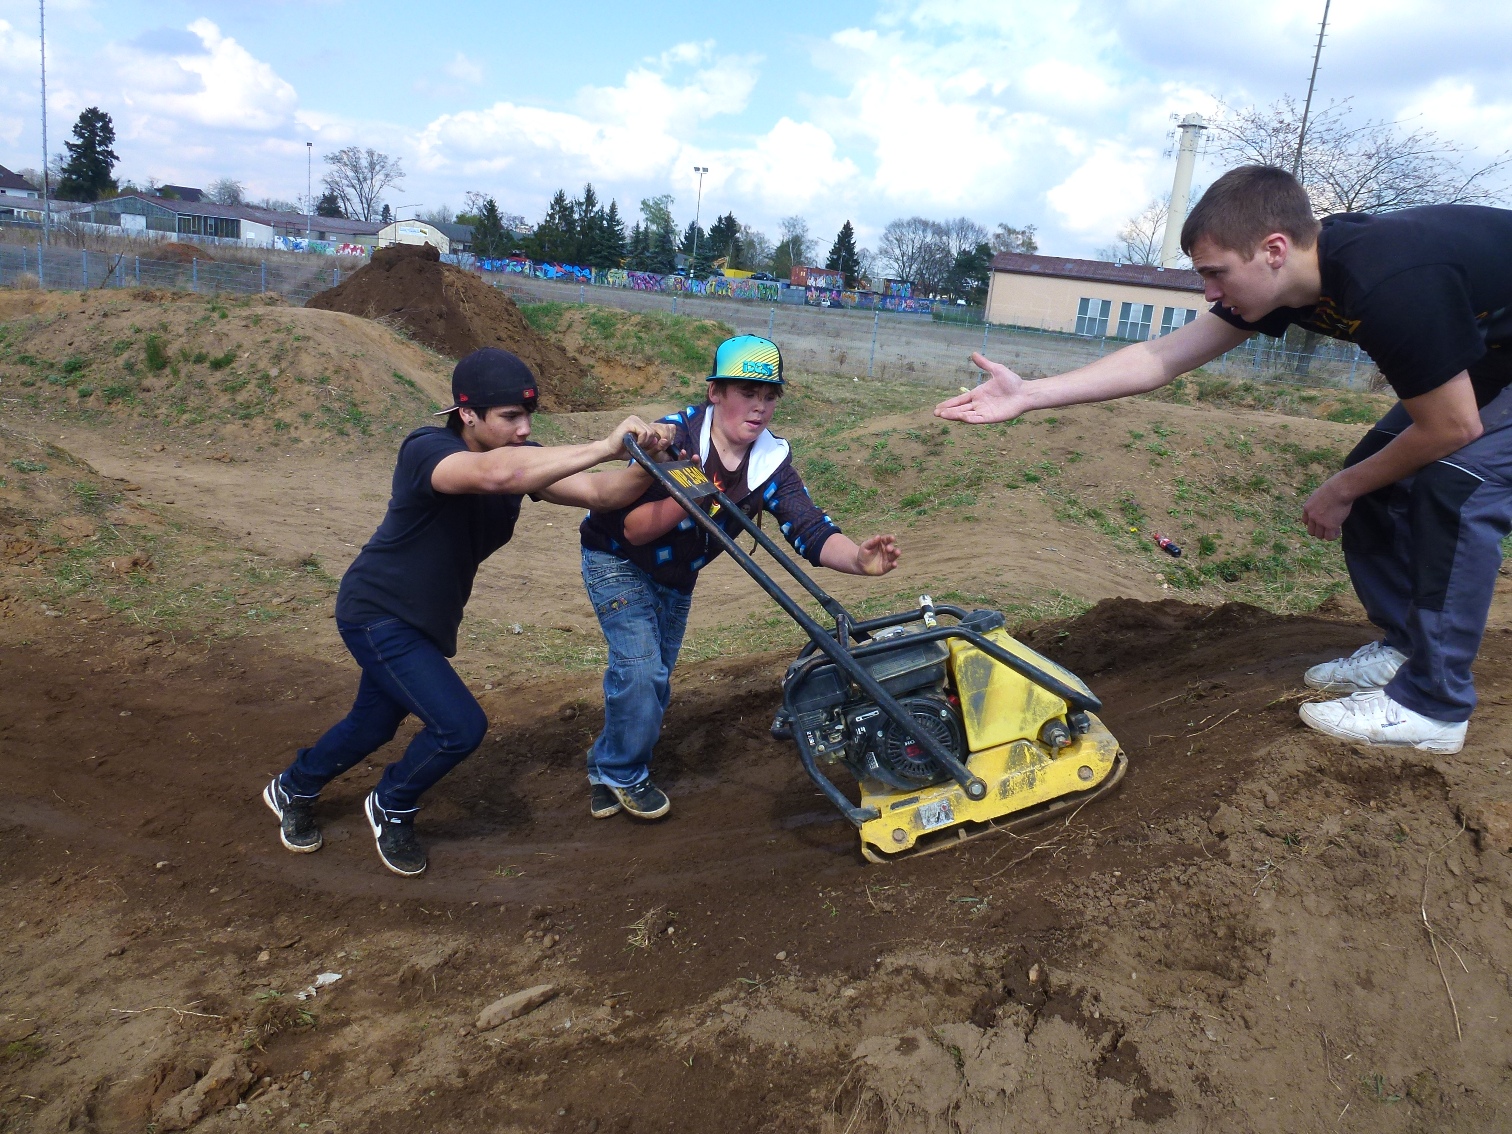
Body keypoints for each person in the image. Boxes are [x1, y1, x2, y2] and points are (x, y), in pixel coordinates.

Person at [937, 165, 1512, 756]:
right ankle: (1408, 648)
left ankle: (1434, 706)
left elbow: (1452, 425)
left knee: (1457, 484)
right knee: (1376, 481)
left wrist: (1340, 487)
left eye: (1215, 273)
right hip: (1495, 353)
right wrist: (1029, 393)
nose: (1208, 292)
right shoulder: (1293, 284)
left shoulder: (1391, 281)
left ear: (1273, 250)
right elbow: (1162, 357)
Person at [263, 348, 674, 876]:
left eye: (529, 416)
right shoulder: (429, 450)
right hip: (378, 611)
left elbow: (600, 490)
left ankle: (293, 787)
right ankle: (392, 801)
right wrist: (602, 444)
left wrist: (649, 463)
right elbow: (496, 476)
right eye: (509, 417)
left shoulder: (522, 459)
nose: (525, 429)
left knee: (372, 723)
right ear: (468, 414)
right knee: (459, 727)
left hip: (426, 621)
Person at [578, 334, 902, 820]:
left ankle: (606, 765)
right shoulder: (672, 439)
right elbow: (633, 529)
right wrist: (693, 493)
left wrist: (858, 558)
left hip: (676, 578)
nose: (760, 407)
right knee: (641, 669)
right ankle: (624, 773)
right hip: (617, 560)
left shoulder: (770, 461)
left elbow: (808, 528)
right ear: (715, 393)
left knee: (651, 680)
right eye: (747, 393)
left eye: (769, 396)